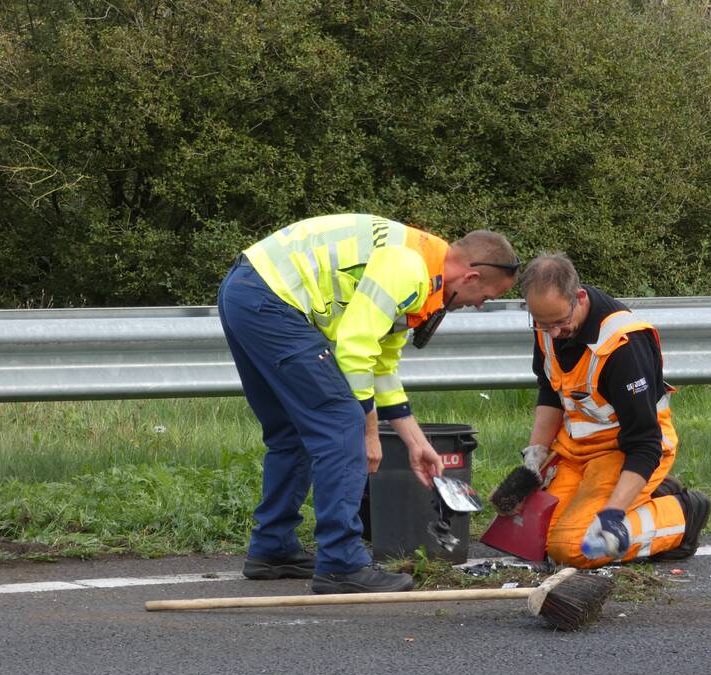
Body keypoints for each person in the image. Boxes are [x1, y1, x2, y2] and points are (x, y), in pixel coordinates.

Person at [217, 213, 518, 594]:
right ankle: (341, 564)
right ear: (471, 277)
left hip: (248, 292)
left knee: (292, 432)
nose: (478, 306)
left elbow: (381, 364)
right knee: (342, 425)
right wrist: (369, 432)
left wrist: (415, 442)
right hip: (270, 300)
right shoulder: (408, 267)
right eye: (485, 299)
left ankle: (272, 549)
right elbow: (355, 351)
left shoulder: (423, 275)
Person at [517, 253, 710, 568]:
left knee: (572, 548)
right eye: (542, 324)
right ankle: (649, 494)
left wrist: (612, 516)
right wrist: (537, 452)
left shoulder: (623, 346)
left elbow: (646, 443)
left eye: (561, 323)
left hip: (624, 452)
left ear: (579, 298)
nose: (552, 333)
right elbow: (551, 389)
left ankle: (681, 516)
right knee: (537, 541)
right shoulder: (550, 322)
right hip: (575, 451)